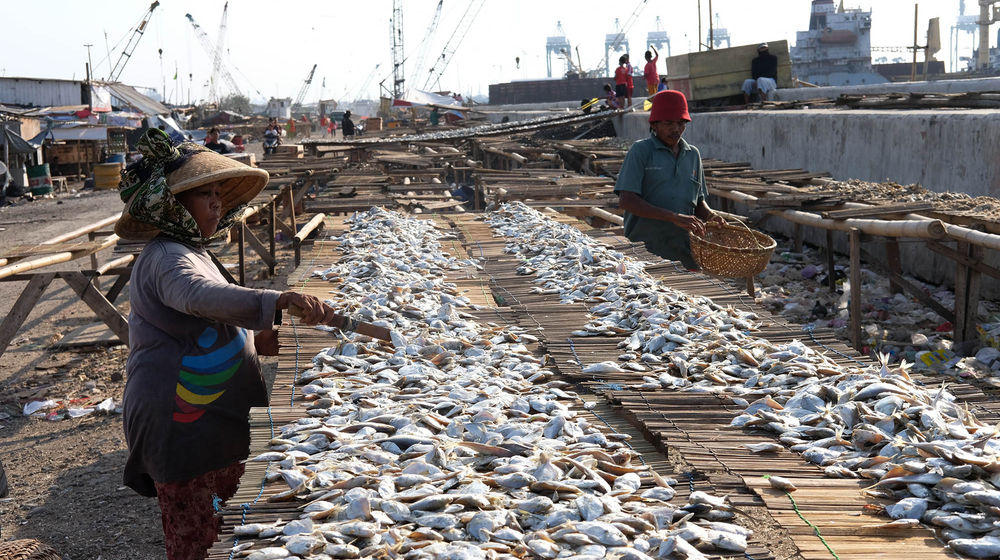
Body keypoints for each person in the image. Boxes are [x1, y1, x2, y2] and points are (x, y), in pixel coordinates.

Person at [114, 128, 336, 560]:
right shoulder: (166, 257)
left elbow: (221, 325)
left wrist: (277, 339)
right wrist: (277, 299)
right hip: (183, 425)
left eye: (219, 193)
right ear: (173, 204)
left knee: (235, 537)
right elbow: (197, 295)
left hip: (216, 424)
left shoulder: (196, 250)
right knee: (201, 546)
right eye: (204, 194)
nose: (217, 203)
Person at [614, 90, 722, 270]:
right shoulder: (641, 151)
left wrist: (712, 216)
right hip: (646, 253)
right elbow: (627, 200)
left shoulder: (692, 155)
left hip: (685, 253)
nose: (676, 129)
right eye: (668, 123)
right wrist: (673, 217)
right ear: (654, 124)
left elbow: (698, 202)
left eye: (681, 123)